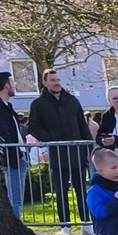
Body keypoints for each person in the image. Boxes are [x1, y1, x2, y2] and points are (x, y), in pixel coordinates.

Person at [28, 70, 93, 225]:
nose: (56, 83)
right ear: (45, 83)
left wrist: (90, 147)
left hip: (77, 152)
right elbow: (33, 127)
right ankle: (65, 226)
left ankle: (86, 224)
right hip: (58, 154)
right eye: (52, 80)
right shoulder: (38, 104)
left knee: (81, 190)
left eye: (58, 80)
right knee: (61, 192)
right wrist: (50, 139)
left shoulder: (72, 101)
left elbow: (82, 125)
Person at [0, 71, 29, 217]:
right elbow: (2, 132)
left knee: (17, 194)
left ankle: (17, 223)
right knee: (15, 196)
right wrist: (15, 152)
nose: (14, 86)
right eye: (12, 83)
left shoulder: (5, 105)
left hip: (17, 154)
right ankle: (16, 224)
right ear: (6, 85)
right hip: (12, 157)